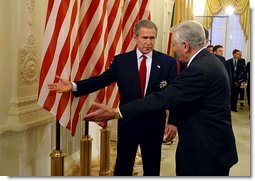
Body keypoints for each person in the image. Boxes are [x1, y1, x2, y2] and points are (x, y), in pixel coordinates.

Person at [83, 20, 238, 176]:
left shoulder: (199, 68)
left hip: (205, 150)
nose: (174, 48)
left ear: (185, 46)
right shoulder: (207, 61)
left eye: (174, 44)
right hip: (206, 146)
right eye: (144, 37)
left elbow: (165, 97)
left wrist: (116, 112)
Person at [48, 19, 178, 176]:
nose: (149, 42)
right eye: (144, 38)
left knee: (152, 168)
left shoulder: (168, 62)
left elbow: (174, 95)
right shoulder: (122, 61)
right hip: (128, 122)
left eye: (152, 38)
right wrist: (74, 86)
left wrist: (173, 122)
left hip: (153, 124)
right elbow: (101, 80)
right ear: (135, 37)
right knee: (123, 167)